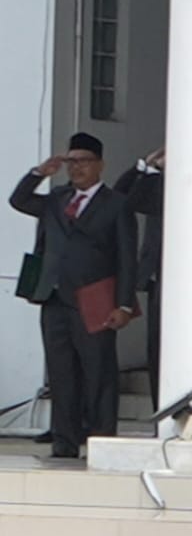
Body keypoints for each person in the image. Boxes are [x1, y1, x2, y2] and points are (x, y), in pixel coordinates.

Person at [9, 133, 137, 458]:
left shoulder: (116, 204)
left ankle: (101, 439)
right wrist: (39, 173)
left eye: (83, 161)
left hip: (95, 298)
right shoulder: (56, 199)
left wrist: (123, 304)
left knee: (98, 372)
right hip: (54, 298)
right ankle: (64, 441)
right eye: (72, 161)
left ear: (100, 165)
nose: (76, 168)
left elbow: (126, 258)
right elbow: (19, 200)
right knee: (61, 372)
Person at [113, 149, 165, 407]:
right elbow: (124, 198)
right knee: (156, 352)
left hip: (186, 279)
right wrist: (146, 166)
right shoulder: (155, 180)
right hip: (158, 278)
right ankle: (159, 413)